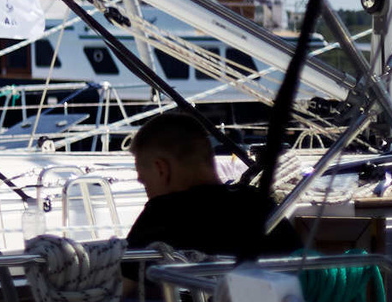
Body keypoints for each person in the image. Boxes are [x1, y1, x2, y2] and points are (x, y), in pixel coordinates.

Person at [125, 109, 296, 258]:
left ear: (161, 169)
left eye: (145, 181)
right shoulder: (259, 204)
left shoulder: (160, 215)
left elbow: (119, 287)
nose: (147, 190)